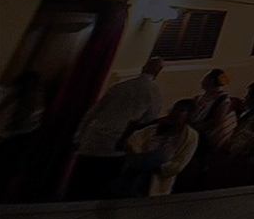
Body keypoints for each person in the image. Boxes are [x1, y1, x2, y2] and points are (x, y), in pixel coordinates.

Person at [69, 57, 164, 199]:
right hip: (117, 145)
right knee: (100, 189)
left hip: (93, 140)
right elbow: (150, 120)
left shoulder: (120, 86)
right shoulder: (153, 92)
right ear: (158, 73)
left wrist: (78, 135)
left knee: (78, 186)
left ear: (143, 68)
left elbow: (93, 112)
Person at [119, 99, 198, 197]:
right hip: (141, 162)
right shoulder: (156, 129)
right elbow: (134, 140)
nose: (175, 113)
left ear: (189, 116)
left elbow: (179, 163)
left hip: (158, 174)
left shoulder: (190, 137)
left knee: (159, 156)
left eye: (181, 110)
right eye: (174, 109)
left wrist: (158, 165)